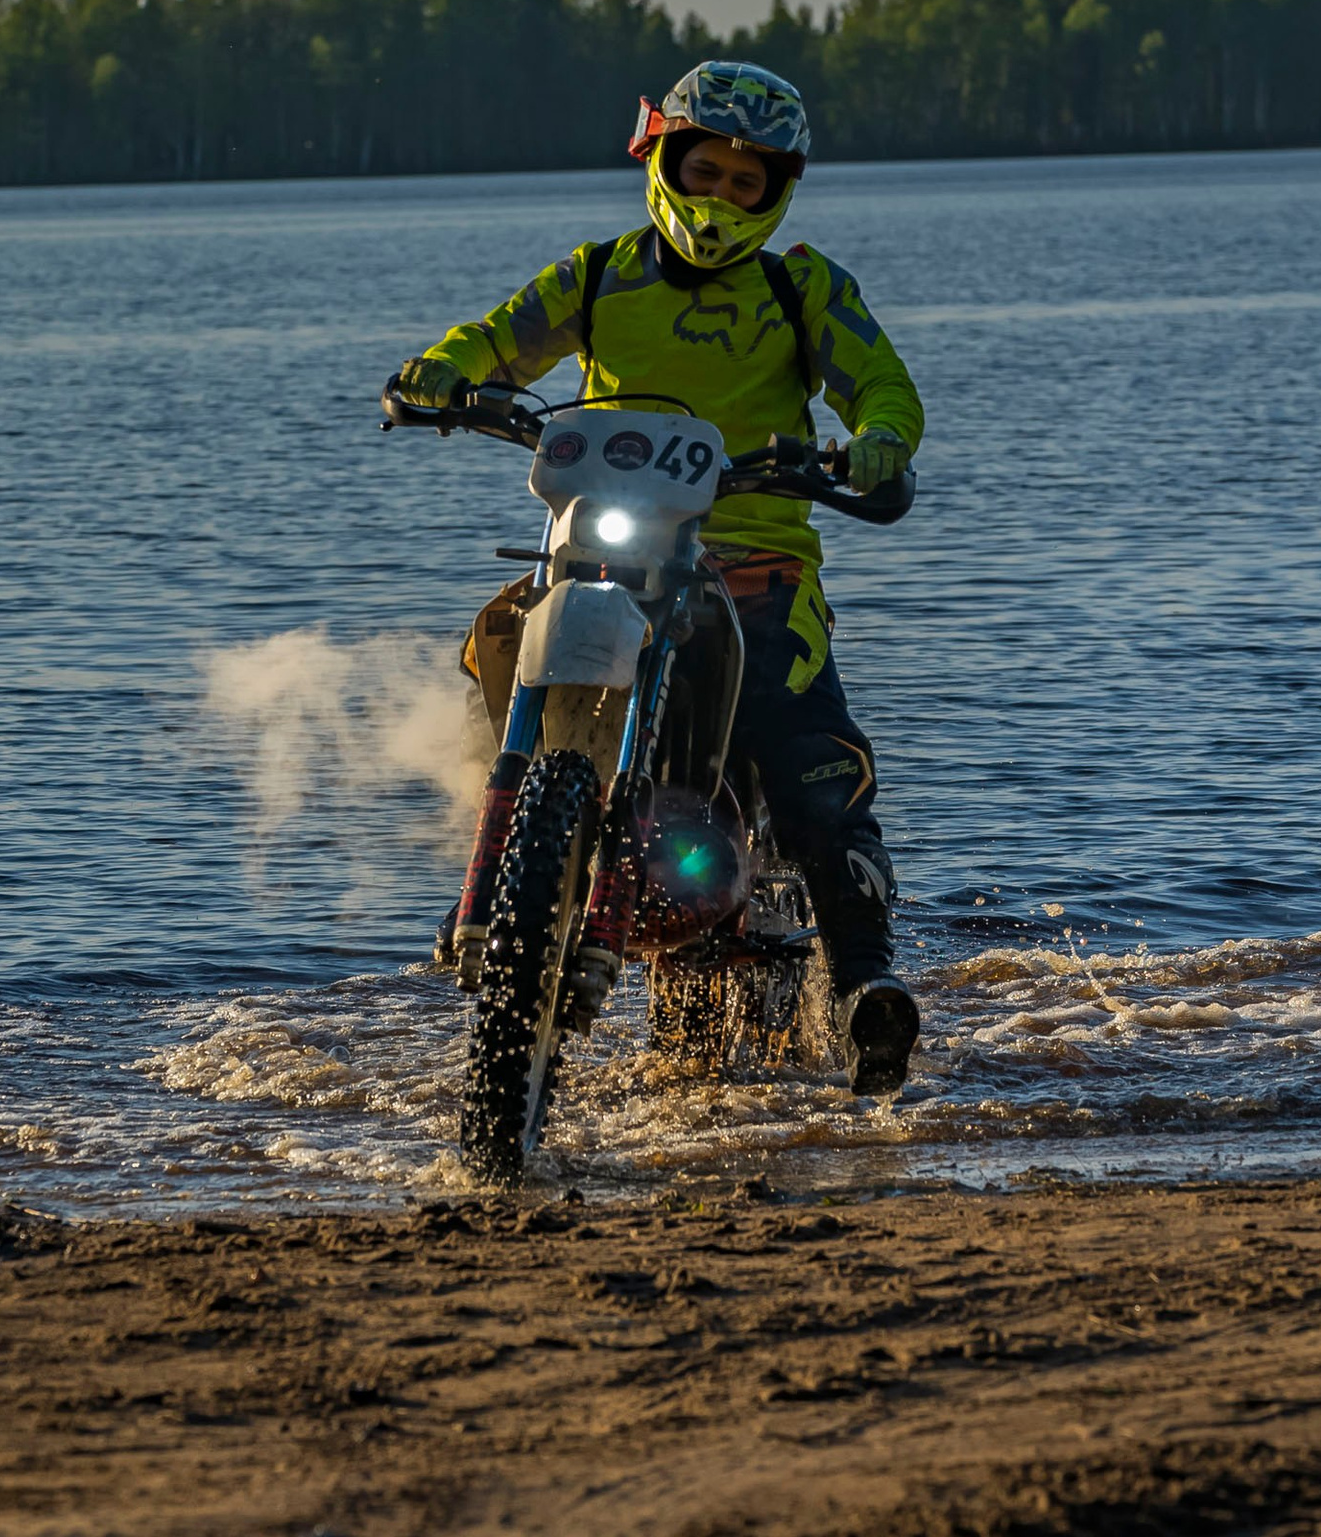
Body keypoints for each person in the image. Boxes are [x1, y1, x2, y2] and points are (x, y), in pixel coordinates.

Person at [391, 58, 925, 1094]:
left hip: (756, 567)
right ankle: (506, 862)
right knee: (498, 638)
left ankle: (865, 989)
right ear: (661, 159)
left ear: (776, 194)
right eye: (707, 168)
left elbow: (881, 384)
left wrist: (878, 440)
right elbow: (499, 340)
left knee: (815, 771)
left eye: (747, 181)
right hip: (604, 554)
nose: (722, 195)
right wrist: (441, 375)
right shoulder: (595, 277)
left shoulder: (800, 285)